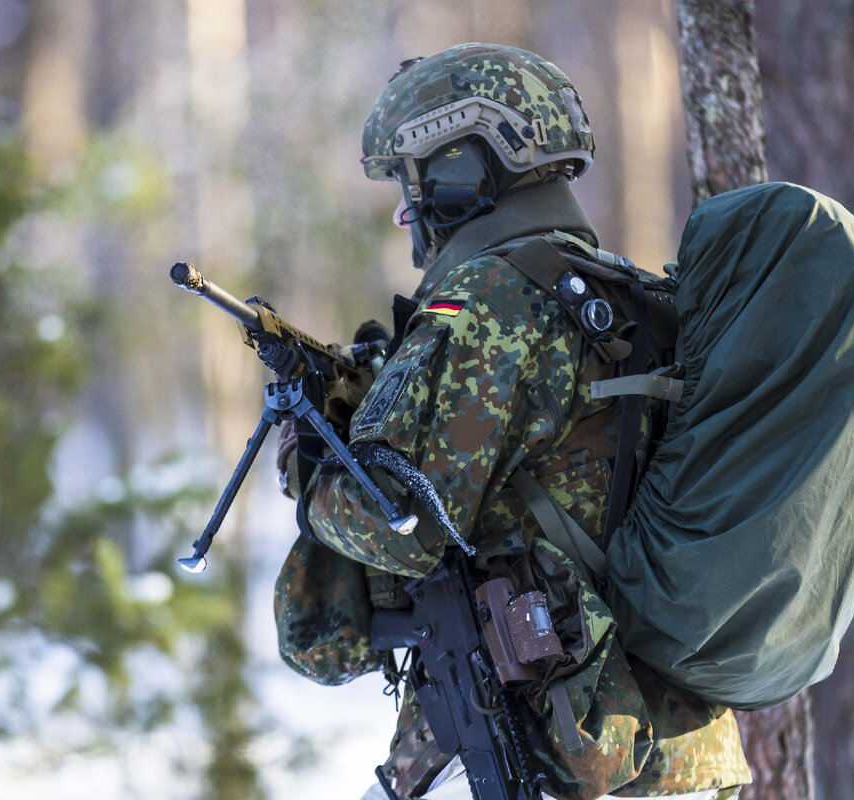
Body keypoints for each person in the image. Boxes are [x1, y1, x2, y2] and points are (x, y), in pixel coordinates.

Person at [273, 43, 751, 800]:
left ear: (467, 168)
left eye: (416, 180)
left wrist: (317, 463)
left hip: (540, 745)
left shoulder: (486, 302)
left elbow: (402, 520)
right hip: (684, 759)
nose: (407, 209)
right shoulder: (633, 294)